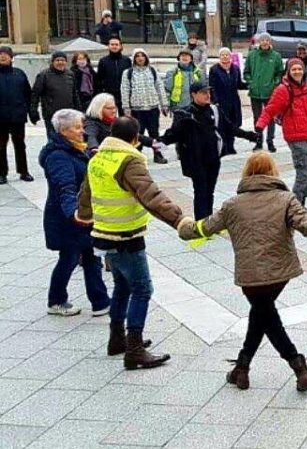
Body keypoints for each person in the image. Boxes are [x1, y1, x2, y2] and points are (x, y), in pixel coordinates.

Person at [178, 152, 307, 392]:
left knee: (264, 315)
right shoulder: (286, 199)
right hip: (280, 272)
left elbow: (206, 227)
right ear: (273, 172)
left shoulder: (232, 204)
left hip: (250, 274)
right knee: (262, 315)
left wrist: (183, 227)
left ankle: (293, 364)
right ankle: (245, 367)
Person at [77, 117, 194, 370]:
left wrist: (84, 215)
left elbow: (86, 192)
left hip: (104, 233)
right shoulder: (129, 161)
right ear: (134, 138)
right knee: (142, 289)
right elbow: (151, 195)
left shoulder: (98, 158)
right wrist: (179, 220)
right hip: (126, 235)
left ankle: (117, 339)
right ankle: (135, 349)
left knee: (122, 286)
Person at [42, 109, 109, 317]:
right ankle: (56, 300)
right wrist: (74, 214)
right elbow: (65, 188)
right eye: (78, 128)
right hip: (67, 219)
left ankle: (100, 302)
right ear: (64, 131)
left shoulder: (76, 149)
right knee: (69, 258)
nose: (83, 131)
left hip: (83, 216)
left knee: (91, 257)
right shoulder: (58, 156)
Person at [161, 81, 258, 220]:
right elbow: (173, 134)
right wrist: (157, 143)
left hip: (213, 158)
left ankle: (209, 221)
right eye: (203, 92)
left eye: (209, 92)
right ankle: (201, 224)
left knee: (210, 191)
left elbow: (229, 128)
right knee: (200, 192)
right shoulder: (185, 114)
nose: (208, 95)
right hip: (195, 160)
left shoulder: (214, 110)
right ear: (193, 94)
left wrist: (250, 136)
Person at [254, 59, 307, 206]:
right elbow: (270, 109)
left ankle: (299, 198)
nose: (297, 72)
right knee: (304, 173)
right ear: (289, 71)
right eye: (294, 69)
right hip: (295, 137)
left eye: (299, 69)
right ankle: (295, 207)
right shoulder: (283, 90)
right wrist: (260, 127)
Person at [120, 49, 169, 165]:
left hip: (152, 108)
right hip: (137, 109)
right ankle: (137, 156)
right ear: (134, 59)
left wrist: (164, 104)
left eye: (143, 56)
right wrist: (126, 108)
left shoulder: (152, 71)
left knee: (155, 133)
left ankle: (158, 154)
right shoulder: (128, 73)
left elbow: (160, 87)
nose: (140, 58)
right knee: (138, 134)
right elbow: (125, 90)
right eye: (137, 56)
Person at [244, 32, 285, 152]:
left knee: (271, 117)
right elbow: (246, 72)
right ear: (259, 42)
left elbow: (280, 72)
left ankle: (270, 141)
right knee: (257, 118)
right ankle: (258, 141)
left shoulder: (276, 56)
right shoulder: (252, 55)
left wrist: (275, 83)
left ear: (270, 42)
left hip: (270, 92)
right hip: (255, 92)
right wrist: (250, 82)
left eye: (267, 40)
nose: (265, 42)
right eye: (262, 40)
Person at [83, 94, 158, 158]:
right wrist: (94, 148)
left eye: (114, 107)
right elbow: (90, 136)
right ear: (98, 109)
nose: (114, 111)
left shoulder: (115, 121)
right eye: (109, 108)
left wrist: (153, 142)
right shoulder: (91, 123)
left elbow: (131, 133)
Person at [0, 46, 34, 184]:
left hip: (17, 116)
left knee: (20, 145)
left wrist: (30, 112)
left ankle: (23, 171)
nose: (2, 57)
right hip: (0, 117)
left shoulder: (19, 74)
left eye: (5, 54)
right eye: (0, 54)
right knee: (1, 146)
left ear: (11, 57)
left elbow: (28, 94)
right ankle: (2, 173)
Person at [208, 47, 244, 156]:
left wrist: (251, 85)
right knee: (222, 125)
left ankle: (231, 146)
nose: (225, 56)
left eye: (227, 55)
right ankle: (224, 147)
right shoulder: (214, 69)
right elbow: (212, 87)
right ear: (219, 57)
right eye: (222, 55)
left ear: (230, 56)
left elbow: (239, 84)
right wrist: (215, 101)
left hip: (233, 101)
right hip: (221, 101)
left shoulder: (235, 68)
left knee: (233, 124)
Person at [31, 51, 77, 135]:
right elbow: (35, 95)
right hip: (51, 114)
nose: (60, 62)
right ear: (53, 62)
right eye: (57, 60)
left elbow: (74, 94)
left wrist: (78, 110)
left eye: (62, 60)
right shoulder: (44, 75)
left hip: (68, 113)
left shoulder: (70, 74)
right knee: (53, 139)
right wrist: (33, 111)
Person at [164, 49, 203, 114]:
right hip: (177, 106)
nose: (185, 57)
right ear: (179, 58)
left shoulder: (197, 72)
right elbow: (167, 90)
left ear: (191, 59)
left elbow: (202, 89)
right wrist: (166, 105)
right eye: (182, 55)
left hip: (194, 105)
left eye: (187, 56)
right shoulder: (172, 72)